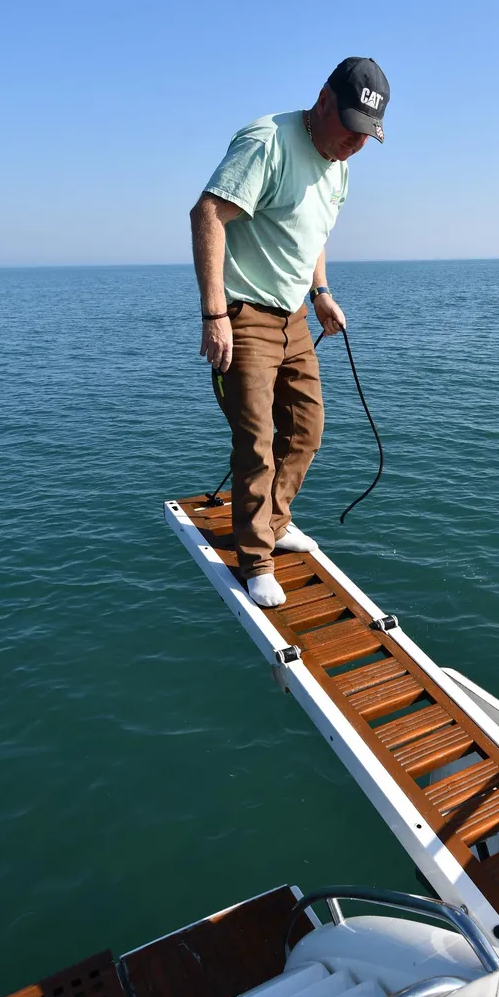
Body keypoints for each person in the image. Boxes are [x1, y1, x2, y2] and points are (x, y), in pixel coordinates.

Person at [190, 58, 390, 608]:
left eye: (365, 135)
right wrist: (214, 315)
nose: (354, 143)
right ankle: (256, 560)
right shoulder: (268, 141)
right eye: (348, 127)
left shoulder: (340, 164)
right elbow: (207, 214)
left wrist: (321, 292)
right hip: (245, 314)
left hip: (295, 316)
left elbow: (314, 231)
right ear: (322, 99)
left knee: (307, 428)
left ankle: (275, 523)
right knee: (255, 442)